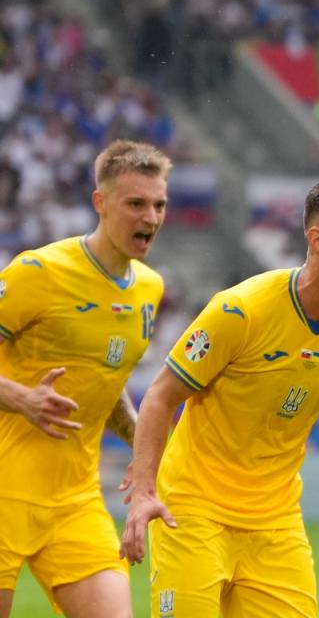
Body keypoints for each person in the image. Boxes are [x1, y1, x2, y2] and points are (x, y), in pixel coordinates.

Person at [119, 176, 319, 617]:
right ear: (317, 239)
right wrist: (145, 490)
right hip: (193, 512)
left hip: (276, 525)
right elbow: (162, 395)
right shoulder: (241, 309)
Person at [0, 139, 171, 618]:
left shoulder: (149, 289)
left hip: (74, 501)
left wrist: (145, 446)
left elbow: (105, 383)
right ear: (101, 203)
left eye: (159, 205)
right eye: (135, 204)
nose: (150, 218)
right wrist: (20, 398)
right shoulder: (40, 271)